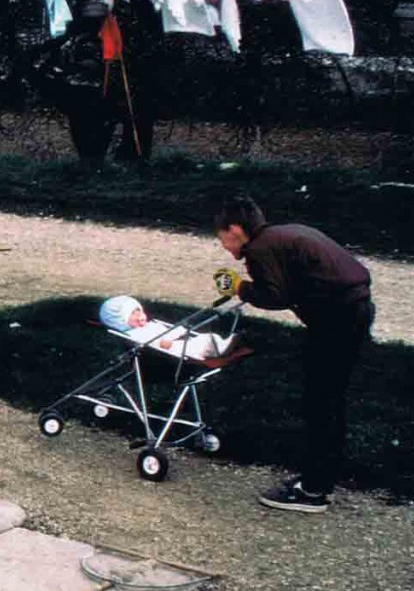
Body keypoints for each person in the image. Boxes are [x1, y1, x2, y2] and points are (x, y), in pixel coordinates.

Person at [212, 195, 374, 513]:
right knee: (329, 399)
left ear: (235, 229)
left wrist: (238, 287)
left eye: (223, 240)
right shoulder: (285, 233)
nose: (225, 248)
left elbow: (275, 296)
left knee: (320, 402)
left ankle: (313, 491)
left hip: (336, 321)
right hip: (355, 310)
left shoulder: (260, 248)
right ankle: (319, 480)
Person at [96, 294, 234, 361]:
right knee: (201, 343)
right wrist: (171, 340)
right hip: (172, 354)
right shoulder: (135, 335)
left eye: (140, 311)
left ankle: (220, 346)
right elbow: (157, 343)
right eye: (133, 315)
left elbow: (166, 332)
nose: (140, 316)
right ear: (122, 322)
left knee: (207, 337)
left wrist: (179, 331)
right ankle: (218, 349)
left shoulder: (150, 325)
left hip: (178, 343)